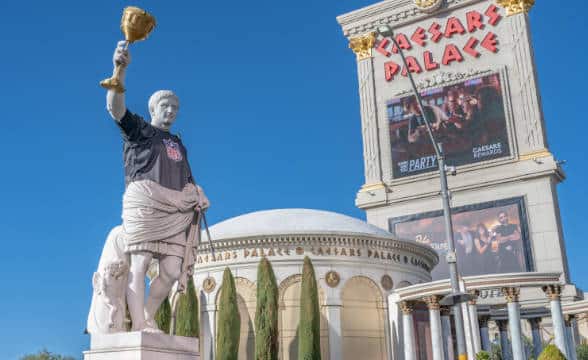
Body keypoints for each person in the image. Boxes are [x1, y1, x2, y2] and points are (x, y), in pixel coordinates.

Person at [105, 41, 209, 332]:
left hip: (175, 208)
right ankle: (139, 323)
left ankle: (146, 315)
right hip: (146, 202)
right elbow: (115, 108)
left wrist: (197, 195)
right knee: (139, 265)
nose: (171, 111)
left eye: (175, 107)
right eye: (165, 106)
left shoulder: (178, 143)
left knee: (173, 271)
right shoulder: (140, 130)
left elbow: (186, 178)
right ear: (152, 108)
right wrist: (120, 68)